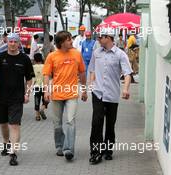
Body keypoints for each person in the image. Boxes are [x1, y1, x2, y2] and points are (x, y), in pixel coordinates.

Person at [0, 33, 35, 166]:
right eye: (10, 41)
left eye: (15, 41)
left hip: (17, 97)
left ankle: (13, 153)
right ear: (7, 42)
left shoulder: (24, 59)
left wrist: (27, 94)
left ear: (19, 43)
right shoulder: (0, 57)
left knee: (14, 124)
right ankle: (5, 142)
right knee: (3, 123)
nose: (12, 44)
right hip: (1, 96)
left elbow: (30, 79)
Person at [88, 29, 132, 165]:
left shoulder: (120, 54)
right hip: (98, 93)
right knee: (96, 122)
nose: (98, 40)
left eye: (100, 37)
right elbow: (92, 70)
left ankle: (108, 150)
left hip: (112, 94)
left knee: (110, 124)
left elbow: (127, 73)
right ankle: (96, 152)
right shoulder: (96, 53)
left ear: (108, 38)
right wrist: (91, 84)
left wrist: (125, 89)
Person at [43, 31, 88, 161]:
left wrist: (84, 90)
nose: (71, 42)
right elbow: (46, 75)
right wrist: (46, 91)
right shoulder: (52, 56)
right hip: (56, 94)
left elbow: (82, 73)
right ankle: (59, 146)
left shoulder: (76, 54)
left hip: (72, 93)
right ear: (61, 42)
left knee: (70, 121)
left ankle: (68, 149)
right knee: (57, 124)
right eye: (69, 40)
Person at [33, 53, 48, 121]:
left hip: (36, 87)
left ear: (34, 60)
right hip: (44, 86)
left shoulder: (33, 67)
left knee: (37, 101)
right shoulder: (45, 66)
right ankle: (42, 109)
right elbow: (47, 77)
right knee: (46, 100)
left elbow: (32, 78)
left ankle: (37, 116)